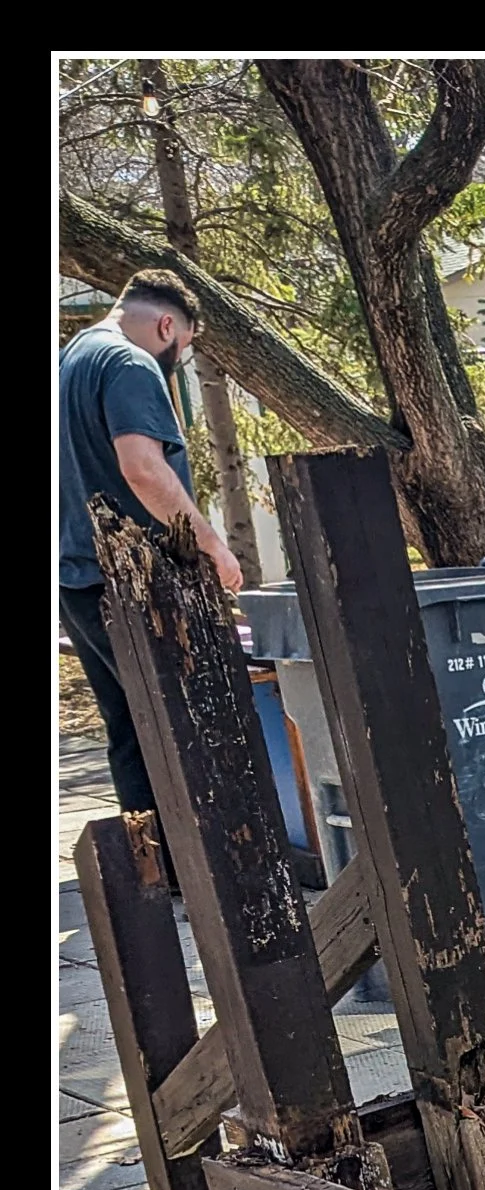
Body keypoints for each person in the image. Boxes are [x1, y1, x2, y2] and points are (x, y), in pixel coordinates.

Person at [59, 270, 244, 825]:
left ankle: (158, 874)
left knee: (132, 731)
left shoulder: (71, 359)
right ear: (168, 325)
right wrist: (212, 545)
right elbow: (142, 467)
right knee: (180, 726)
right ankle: (206, 879)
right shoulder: (130, 363)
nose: (176, 360)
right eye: (182, 348)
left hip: (78, 577)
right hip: (133, 581)